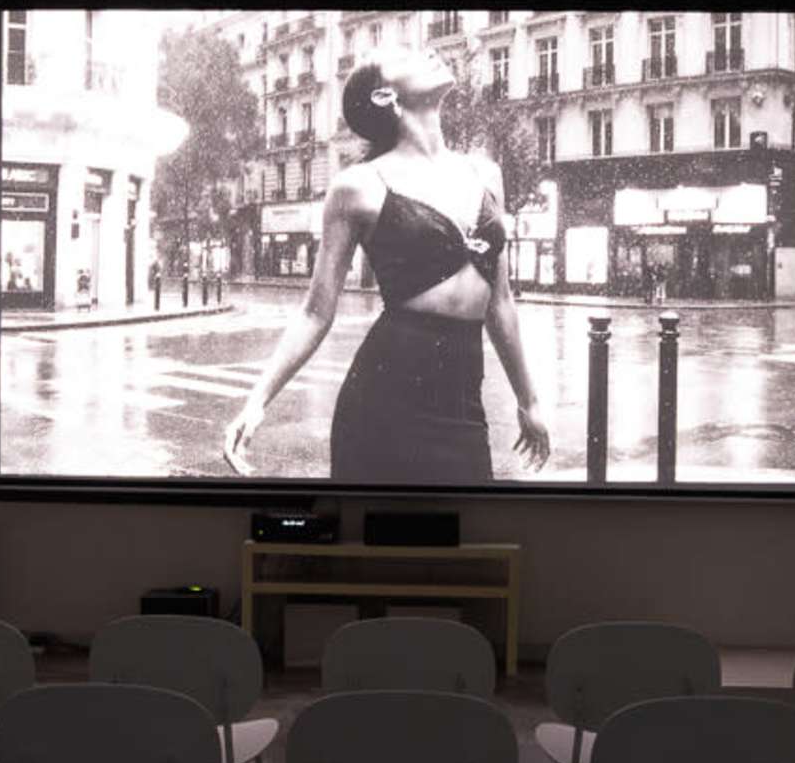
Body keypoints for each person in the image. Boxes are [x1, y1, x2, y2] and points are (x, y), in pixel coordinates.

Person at [222, 44, 551, 482]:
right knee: (378, 544)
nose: (429, 51)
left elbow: (501, 305)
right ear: (383, 96)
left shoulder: (486, 173)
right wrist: (256, 400)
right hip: (383, 401)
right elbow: (316, 312)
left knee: (460, 542)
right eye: (407, 56)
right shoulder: (357, 186)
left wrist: (529, 400)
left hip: (461, 400)